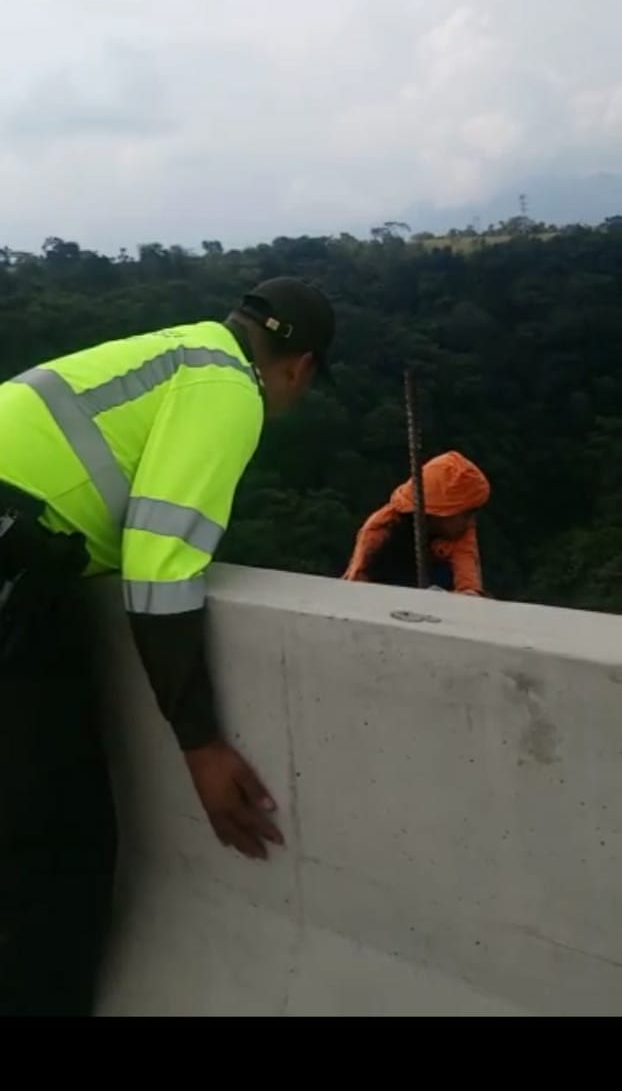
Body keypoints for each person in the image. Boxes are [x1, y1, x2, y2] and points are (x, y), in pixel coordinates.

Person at [0, 276, 334, 1017]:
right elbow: (160, 570)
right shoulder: (229, 388)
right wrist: (202, 744)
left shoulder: (179, 350)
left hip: (23, 554)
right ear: (300, 367)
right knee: (53, 848)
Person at [344, 450, 490, 594]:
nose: (471, 522)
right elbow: (358, 585)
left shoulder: (460, 531)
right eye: (467, 514)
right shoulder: (382, 527)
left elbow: (468, 583)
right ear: (441, 512)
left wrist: (464, 594)